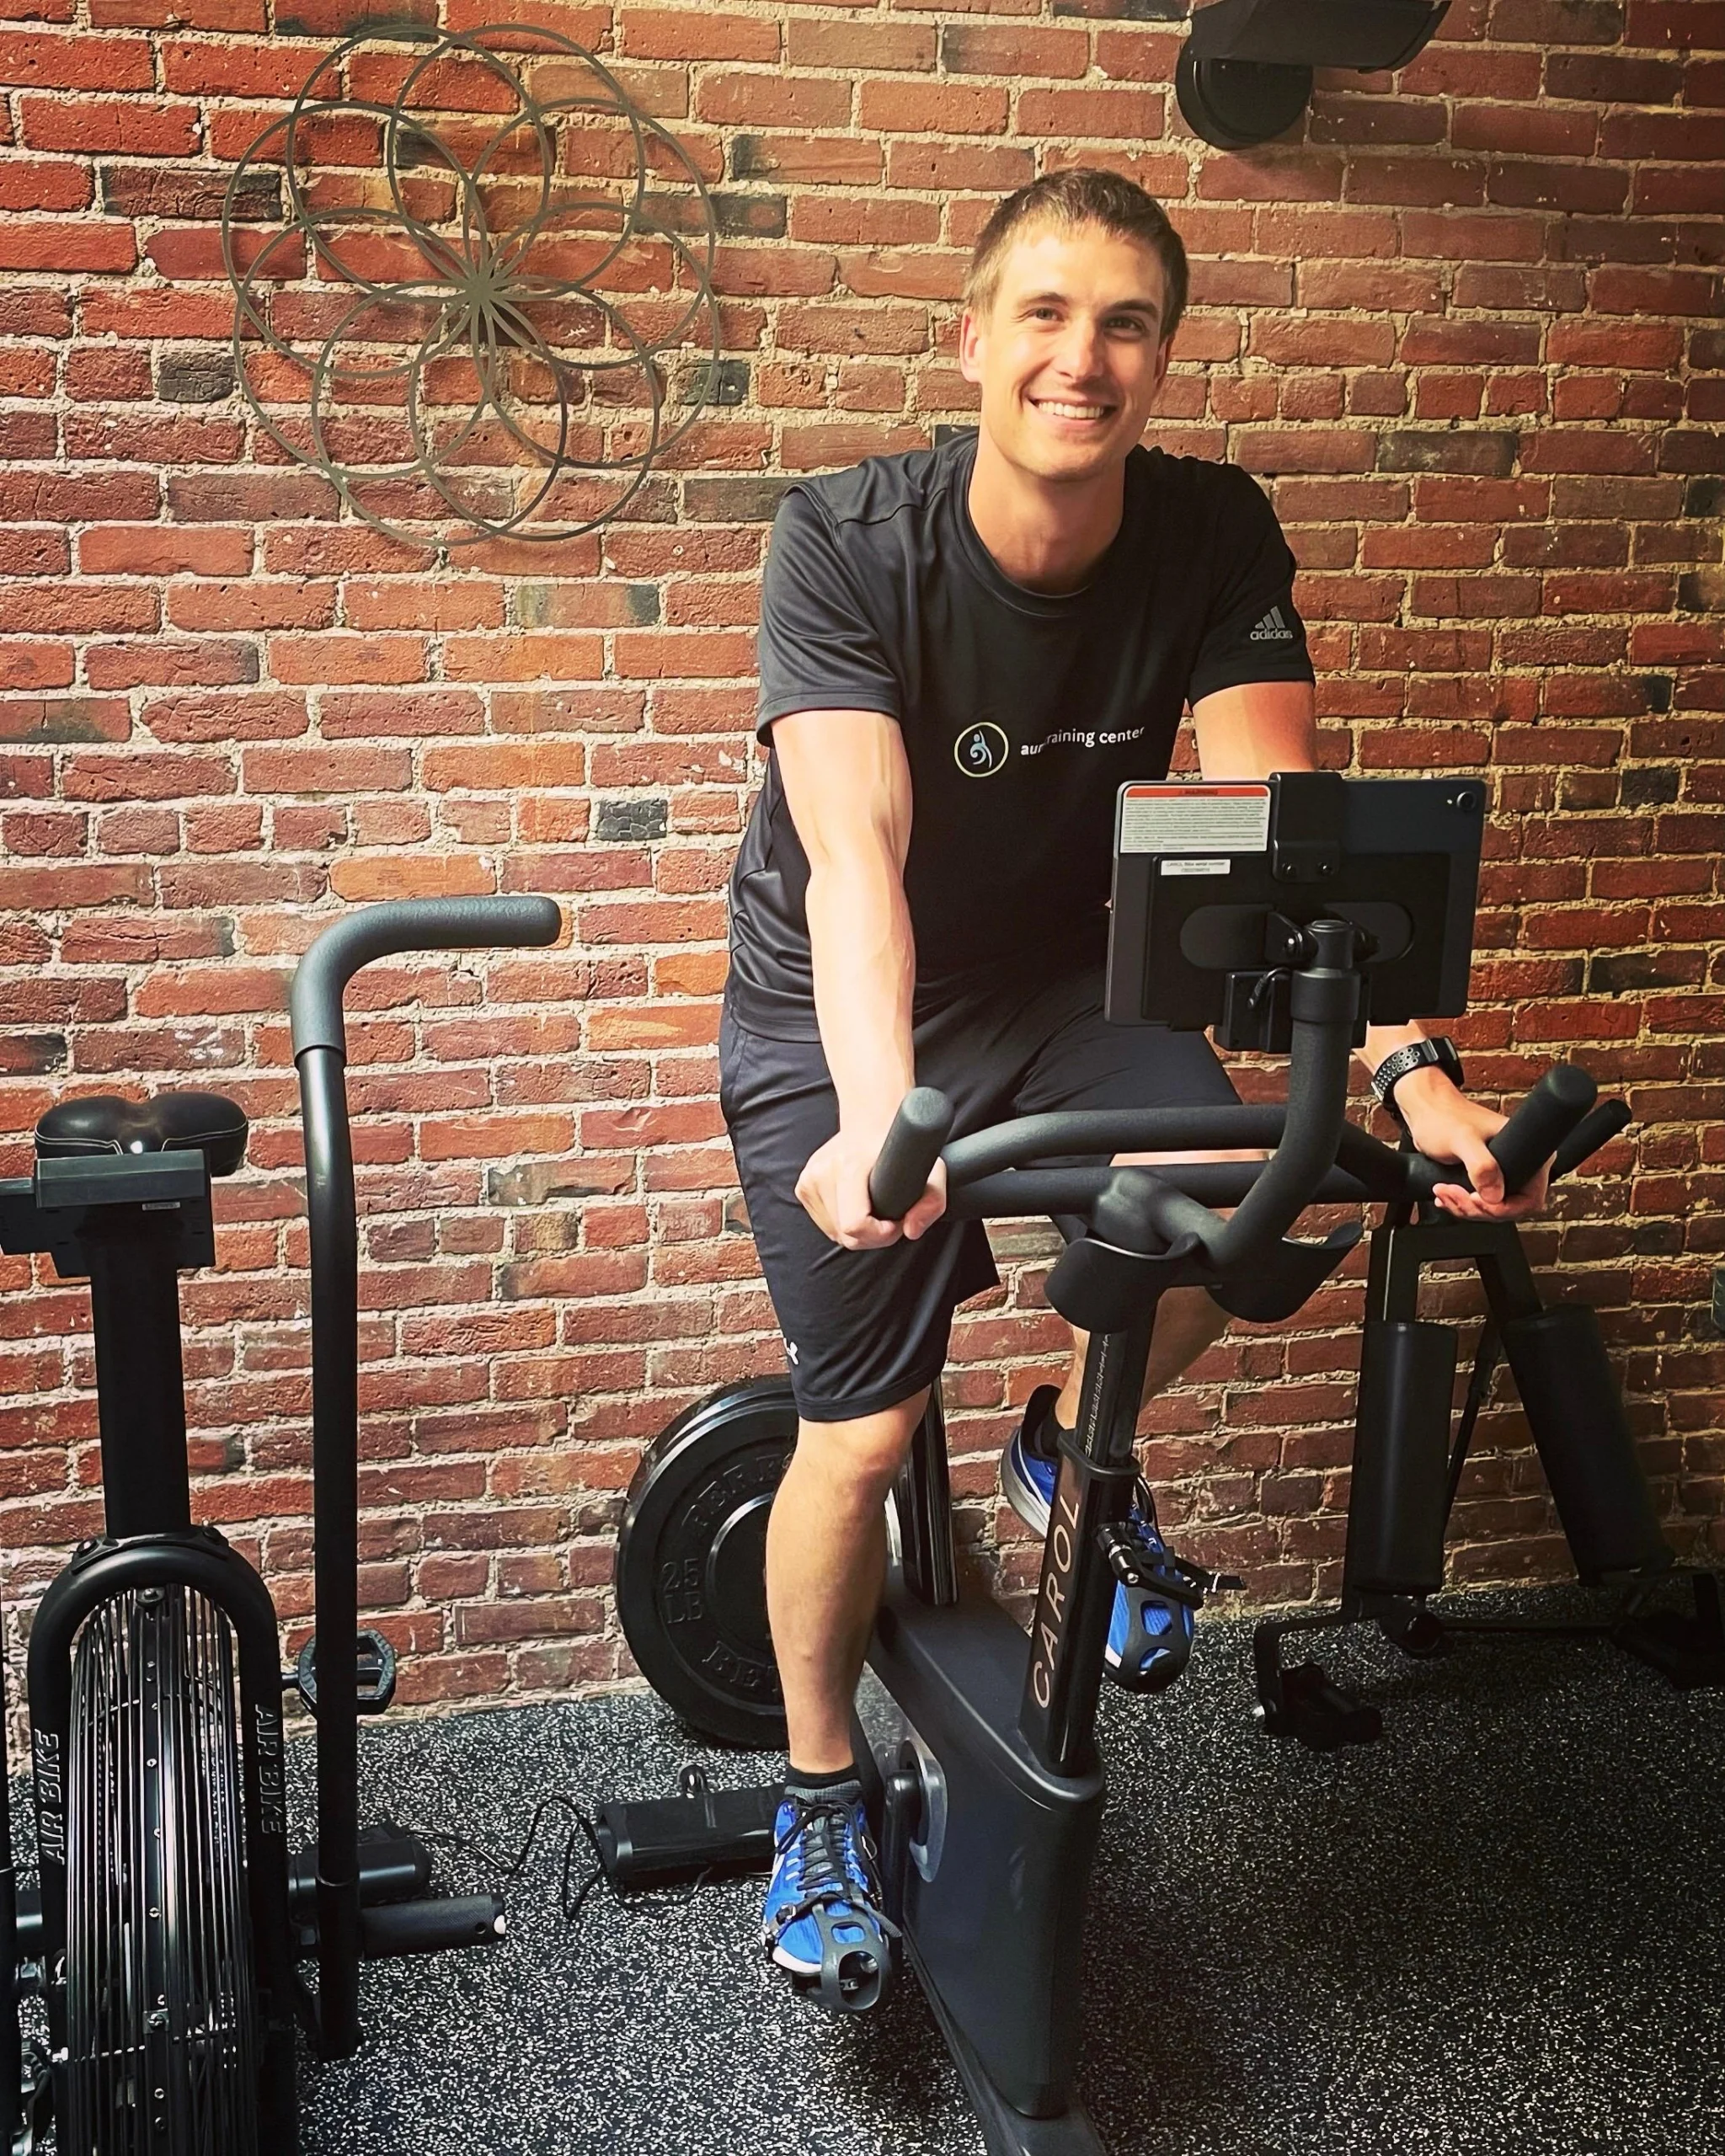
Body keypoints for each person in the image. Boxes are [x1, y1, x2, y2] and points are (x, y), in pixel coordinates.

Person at [721, 168, 1547, 2002]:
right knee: (862, 1431)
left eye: (1124, 325)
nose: (1079, 359)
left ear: (1162, 358)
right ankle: (815, 1790)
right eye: (1042, 314)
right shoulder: (847, 538)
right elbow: (854, 860)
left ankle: (1057, 1437)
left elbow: (1290, 838)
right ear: (972, 341)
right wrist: (876, 1123)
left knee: (1251, 1197)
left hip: (1051, 987)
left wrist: (1415, 1081)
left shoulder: (1209, 531)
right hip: (829, 1010)